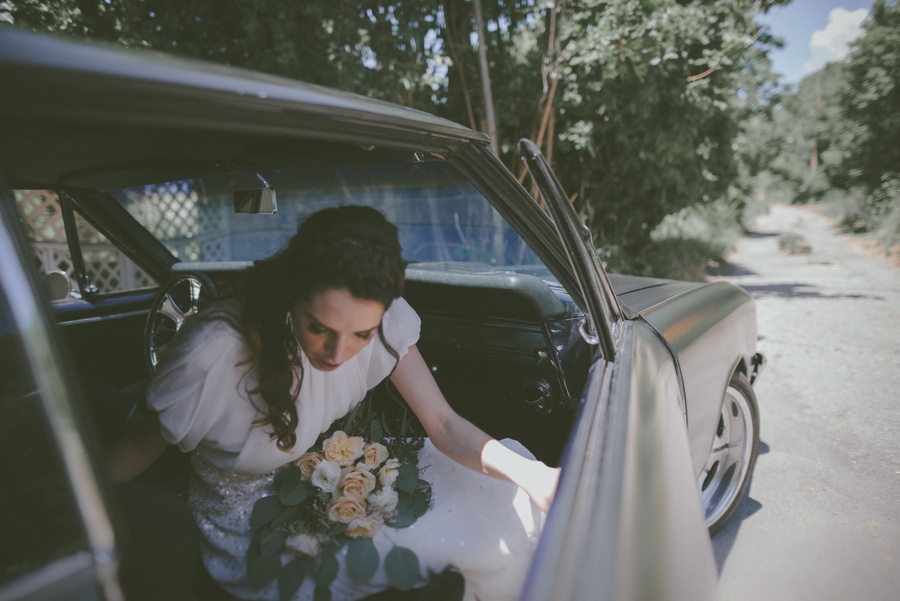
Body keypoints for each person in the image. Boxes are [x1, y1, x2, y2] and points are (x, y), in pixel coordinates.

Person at [109, 205, 559, 601]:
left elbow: (442, 424)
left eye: (361, 334)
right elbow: (133, 449)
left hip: (328, 476)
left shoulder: (387, 323)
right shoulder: (213, 356)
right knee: (470, 541)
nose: (338, 354)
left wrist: (536, 477)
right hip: (250, 526)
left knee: (507, 491)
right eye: (319, 327)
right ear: (293, 292)